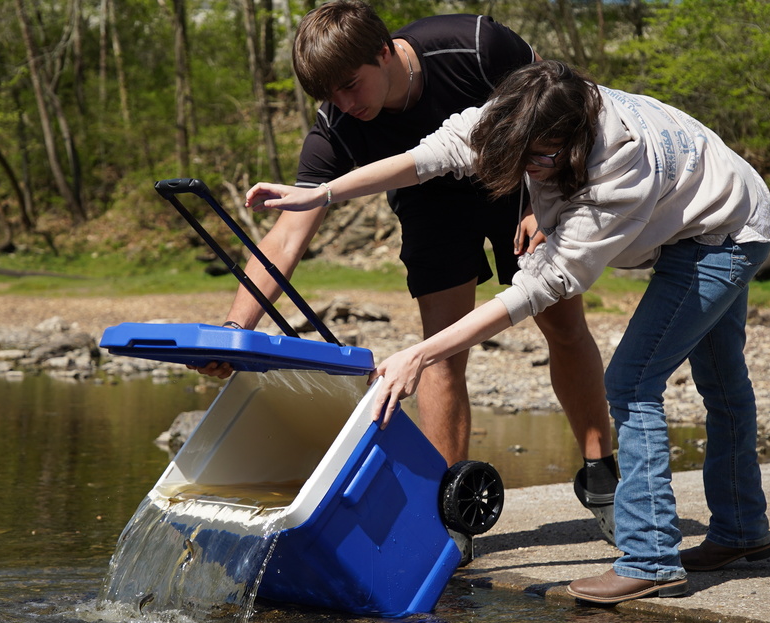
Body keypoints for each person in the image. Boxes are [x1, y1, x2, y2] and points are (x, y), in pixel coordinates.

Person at [243, 60, 770, 604]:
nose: (528, 169)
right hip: (707, 204)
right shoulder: (520, 112)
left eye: (540, 161)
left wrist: (422, 354)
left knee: (634, 381)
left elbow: (532, 292)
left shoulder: (621, 165)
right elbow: (424, 159)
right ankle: (742, 532)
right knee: (722, 382)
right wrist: (324, 194)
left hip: (724, 231)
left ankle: (650, 557)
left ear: (571, 147)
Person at [196, 2, 618, 539]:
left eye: (352, 85)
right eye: (331, 97)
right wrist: (236, 332)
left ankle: (602, 475)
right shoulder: (339, 124)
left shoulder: (475, 46)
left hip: (520, 185)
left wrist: (553, 197)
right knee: (440, 348)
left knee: (561, 324)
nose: (345, 104)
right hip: (430, 204)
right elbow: (286, 234)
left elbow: (571, 107)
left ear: (385, 51)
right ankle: (449, 521)